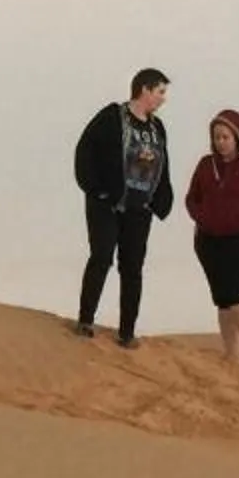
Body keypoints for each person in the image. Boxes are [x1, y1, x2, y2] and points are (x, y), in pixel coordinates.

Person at [72, 68, 172, 347]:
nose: (163, 99)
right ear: (144, 90)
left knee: (132, 268)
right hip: (108, 204)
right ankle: (85, 320)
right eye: (160, 92)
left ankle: (127, 332)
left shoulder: (157, 127)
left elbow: (163, 164)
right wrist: (97, 190)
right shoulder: (112, 116)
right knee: (101, 257)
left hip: (140, 209)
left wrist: (162, 198)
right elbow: (85, 150)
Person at [183, 108, 239, 362]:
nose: (221, 142)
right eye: (217, 137)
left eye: (225, 137)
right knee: (222, 298)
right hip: (209, 242)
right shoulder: (205, 165)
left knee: (237, 291)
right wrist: (202, 216)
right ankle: (231, 356)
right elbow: (192, 198)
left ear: (237, 137)